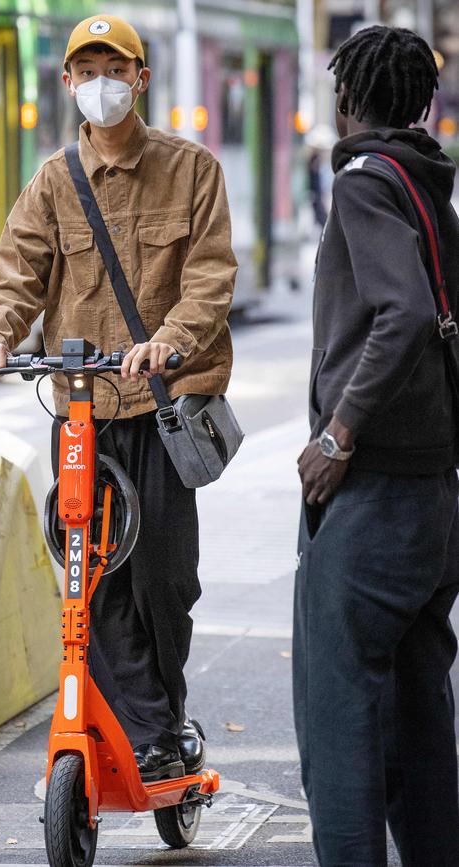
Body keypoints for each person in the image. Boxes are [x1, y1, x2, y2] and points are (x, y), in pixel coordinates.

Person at [0, 15, 236, 781]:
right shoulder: (54, 181)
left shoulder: (192, 170)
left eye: (113, 68)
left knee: (164, 578)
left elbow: (212, 277)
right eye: (85, 70)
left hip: (162, 407)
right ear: (67, 83)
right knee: (92, 578)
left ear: (141, 79)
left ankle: (161, 717)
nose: (99, 84)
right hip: (82, 412)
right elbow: (19, 269)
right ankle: (153, 733)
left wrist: (172, 339)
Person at [294, 25, 459, 866]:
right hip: (434, 499)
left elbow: (400, 315)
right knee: (418, 715)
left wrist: (337, 431)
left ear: (348, 99)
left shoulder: (364, 181)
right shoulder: (427, 182)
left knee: (341, 718)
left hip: (373, 497)